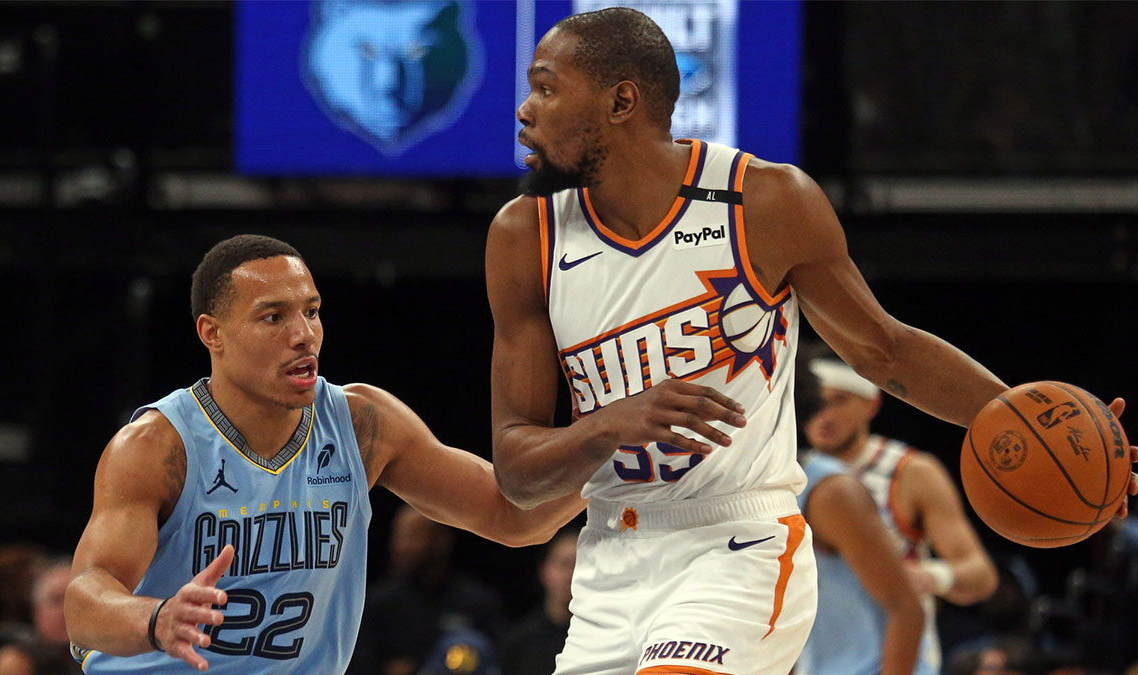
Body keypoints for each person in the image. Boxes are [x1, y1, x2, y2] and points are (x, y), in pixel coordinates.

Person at [484, 7, 1136, 675]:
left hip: (736, 543)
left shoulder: (762, 201)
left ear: (622, 100)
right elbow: (518, 470)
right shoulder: (523, 237)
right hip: (611, 558)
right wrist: (607, 425)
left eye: (546, 88)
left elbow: (887, 350)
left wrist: (1044, 427)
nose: (525, 111)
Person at [64, 234, 585, 674]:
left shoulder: (361, 424)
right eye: (273, 317)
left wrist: (614, 450)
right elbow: (84, 601)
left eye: (312, 312)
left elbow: (511, 515)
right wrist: (156, 620)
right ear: (212, 334)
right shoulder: (158, 446)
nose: (303, 335)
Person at [804, 356, 999, 672]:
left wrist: (930, 576)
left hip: (898, 660)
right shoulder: (790, 475)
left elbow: (981, 576)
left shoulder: (910, 472)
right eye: (816, 403)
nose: (824, 414)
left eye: (839, 400)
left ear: (871, 404)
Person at [792, 360, 926, 675]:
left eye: (839, 400)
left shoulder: (832, 489)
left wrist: (940, 576)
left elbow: (906, 609)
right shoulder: (779, 482)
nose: (827, 414)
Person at [349, 505, 505, 675]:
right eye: (399, 536)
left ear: (442, 540)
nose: (402, 546)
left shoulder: (478, 602)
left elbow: (497, 661)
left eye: (412, 536)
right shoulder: (378, 603)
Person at [499, 525, 579, 675]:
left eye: (579, 565)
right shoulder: (519, 641)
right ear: (544, 570)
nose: (571, 575)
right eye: (564, 564)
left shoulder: (605, 637)